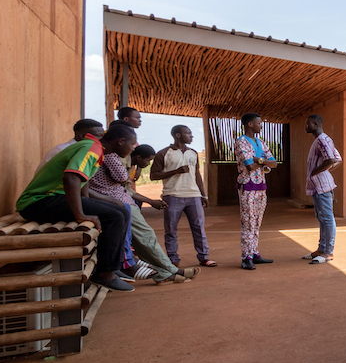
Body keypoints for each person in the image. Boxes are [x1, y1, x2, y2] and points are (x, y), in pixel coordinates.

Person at [16, 122, 136, 292]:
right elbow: (71, 178)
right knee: (115, 216)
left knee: (121, 211)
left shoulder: (95, 148)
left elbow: (82, 181)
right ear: (121, 141)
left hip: (51, 198)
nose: (133, 149)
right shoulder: (92, 148)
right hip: (38, 202)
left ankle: (111, 266)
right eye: (132, 144)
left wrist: (92, 204)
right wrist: (81, 214)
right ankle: (105, 273)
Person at [89, 143, 196, 285]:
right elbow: (123, 186)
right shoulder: (114, 157)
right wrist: (150, 201)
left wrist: (149, 199)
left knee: (141, 242)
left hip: (123, 201)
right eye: (148, 160)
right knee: (146, 237)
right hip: (120, 203)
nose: (148, 164)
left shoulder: (124, 159)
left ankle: (165, 273)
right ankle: (170, 270)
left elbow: (128, 187)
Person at [151, 125, 215, 268]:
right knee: (171, 229)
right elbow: (153, 175)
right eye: (188, 133)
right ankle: (173, 258)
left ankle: (204, 257)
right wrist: (175, 171)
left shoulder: (192, 153)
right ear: (178, 135)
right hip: (172, 195)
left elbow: (197, 174)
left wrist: (203, 195)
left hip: (193, 195)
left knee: (199, 228)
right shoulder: (163, 153)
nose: (191, 136)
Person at [235, 112, 277, 270]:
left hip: (261, 186)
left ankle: (254, 252)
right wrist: (262, 162)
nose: (261, 125)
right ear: (250, 124)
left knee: (257, 222)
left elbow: (274, 163)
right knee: (248, 222)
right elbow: (249, 166)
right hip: (247, 186)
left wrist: (257, 159)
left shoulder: (260, 142)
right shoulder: (241, 142)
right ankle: (246, 256)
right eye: (258, 123)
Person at [303, 114, 342, 264]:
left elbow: (331, 160)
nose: (305, 127)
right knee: (322, 218)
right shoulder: (321, 140)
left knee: (327, 218)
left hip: (322, 186)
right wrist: (322, 171)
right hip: (318, 187)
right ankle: (321, 248)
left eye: (307, 124)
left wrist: (316, 172)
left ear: (316, 124)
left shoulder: (323, 139)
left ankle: (328, 252)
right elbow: (337, 158)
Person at [36, 119, 104, 172]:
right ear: (82, 136)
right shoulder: (63, 150)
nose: (102, 139)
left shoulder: (86, 151)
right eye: (98, 136)